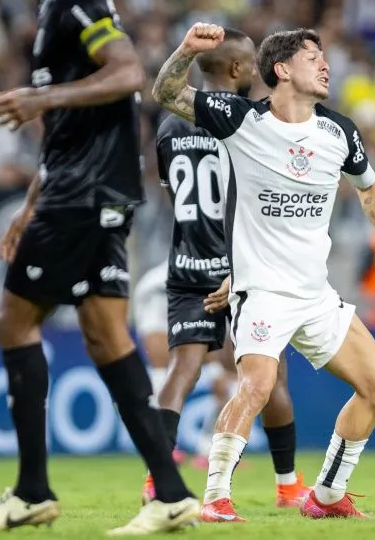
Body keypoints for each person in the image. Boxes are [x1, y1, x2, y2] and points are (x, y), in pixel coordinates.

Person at [0, 0, 199, 534]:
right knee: (105, 337)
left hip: (86, 195)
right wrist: (32, 201)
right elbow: (70, 130)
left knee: (13, 322)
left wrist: (41, 96)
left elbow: (128, 72)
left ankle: (31, 490)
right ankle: (170, 494)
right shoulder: (50, 12)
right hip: (85, 191)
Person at [151, 23, 375, 522]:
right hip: (262, 291)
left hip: (315, 296)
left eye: (323, 56)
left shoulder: (339, 132)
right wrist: (185, 49)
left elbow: (369, 188)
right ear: (282, 70)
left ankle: (327, 495)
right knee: (257, 384)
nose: (324, 65)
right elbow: (165, 93)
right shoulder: (240, 120)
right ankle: (215, 500)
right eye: (312, 57)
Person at [145, 28, 311, 509]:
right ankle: (287, 487)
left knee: (183, 370)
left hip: (187, 263)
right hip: (242, 269)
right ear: (237, 70)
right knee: (271, 377)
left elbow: (172, 192)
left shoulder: (167, 126)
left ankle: (156, 483)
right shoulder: (251, 121)